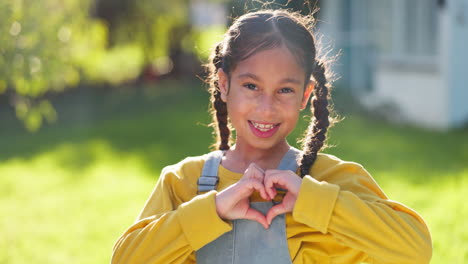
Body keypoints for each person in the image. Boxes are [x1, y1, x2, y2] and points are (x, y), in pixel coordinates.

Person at [111, 9, 432, 264]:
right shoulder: (182, 183)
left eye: (285, 90)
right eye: (251, 86)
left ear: (306, 94)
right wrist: (214, 209)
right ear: (224, 84)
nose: (267, 108)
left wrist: (312, 200)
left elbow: (414, 251)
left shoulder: (334, 180)